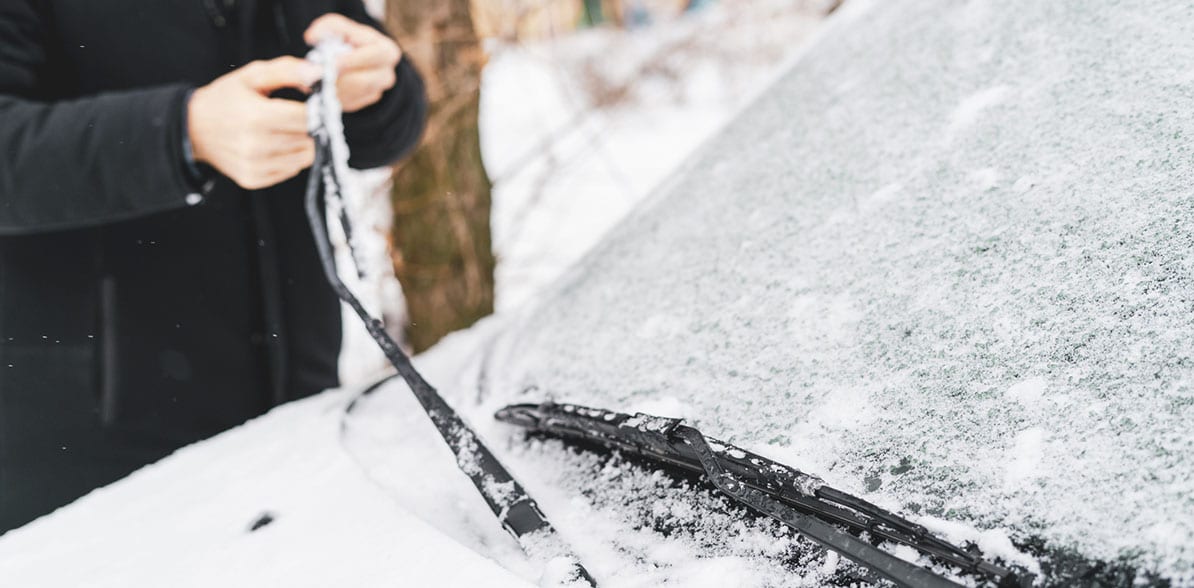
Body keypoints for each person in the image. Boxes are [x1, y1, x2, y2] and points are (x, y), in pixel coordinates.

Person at [0, 0, 427, 533]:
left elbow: (389, 126)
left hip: (296, 407)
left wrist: (378, 90)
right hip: (92, 448)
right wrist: (184, 134)